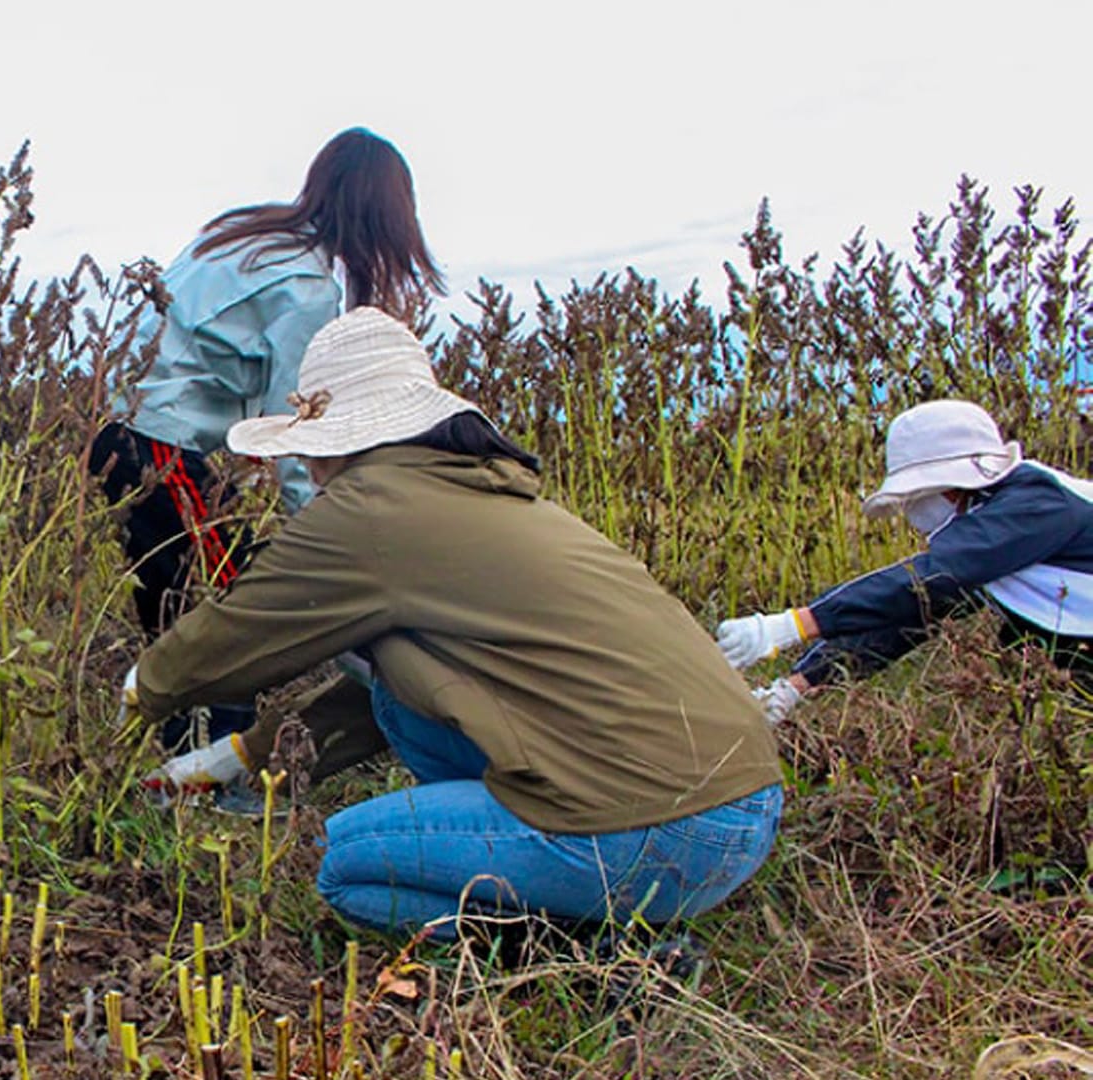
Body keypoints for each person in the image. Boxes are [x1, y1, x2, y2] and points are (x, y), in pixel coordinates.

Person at [129, 308, 784, 938]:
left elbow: (234, 635)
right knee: (401, 707)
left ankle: (593, 947)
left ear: (342, 438)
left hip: (654, 833)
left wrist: (135, 695)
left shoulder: (370, 512)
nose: (303, 467)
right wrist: (232, 758)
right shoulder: (479, 494)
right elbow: (383, 695)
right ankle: (584, 890)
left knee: (350, 866)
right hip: (743, 812)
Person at [92, 126, 442, 773]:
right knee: (240, 614)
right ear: (384, 218)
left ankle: (165, 769)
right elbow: (296, 438)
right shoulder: (308, 292)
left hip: (118, 431)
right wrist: (333, 538)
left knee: (180, 609)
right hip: (161, 445)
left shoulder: (245, 234)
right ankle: (206, 785)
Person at [717, 398, 1093, 721]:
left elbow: (930, 579)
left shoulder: (1038, 503)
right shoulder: (987, 528)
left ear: (950, 486)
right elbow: (910, 617)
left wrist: (793, 624)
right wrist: (792, 689)